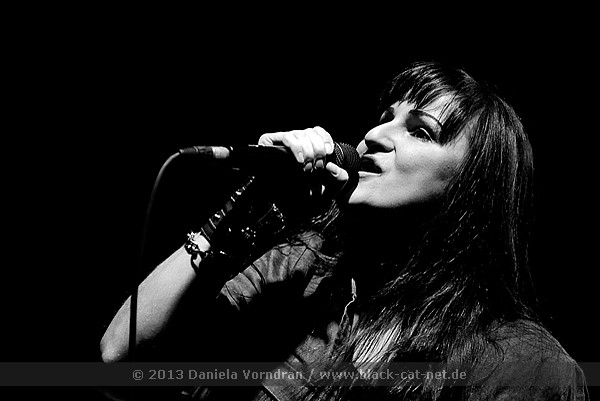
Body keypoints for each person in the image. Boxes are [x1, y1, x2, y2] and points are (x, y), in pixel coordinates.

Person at [100, 61, 589, 400]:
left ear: (474, 188)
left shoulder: (523, 363)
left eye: (420, 130)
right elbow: (119, 354)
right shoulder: (298, 269)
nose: (375, 135)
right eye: (385, 118)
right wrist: (245, 205)